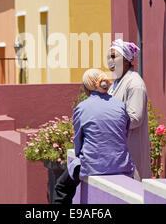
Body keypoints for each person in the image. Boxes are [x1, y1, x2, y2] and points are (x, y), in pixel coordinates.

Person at [53, 69, 134, 204]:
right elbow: (125, 133)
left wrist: (80, 157)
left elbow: (78, 142)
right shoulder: (120, 105)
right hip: (121, 164)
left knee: (61, 187)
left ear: (86, 88)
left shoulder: (82, 108)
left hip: (93, 165)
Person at [107, 39, 151, 181]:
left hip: (131, 150)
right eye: (109, 57)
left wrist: (108, 121)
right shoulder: (116, 83)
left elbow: (135, 118)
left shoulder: (134, 83)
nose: (110, 60)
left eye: (114, 57)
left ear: (126, 60)